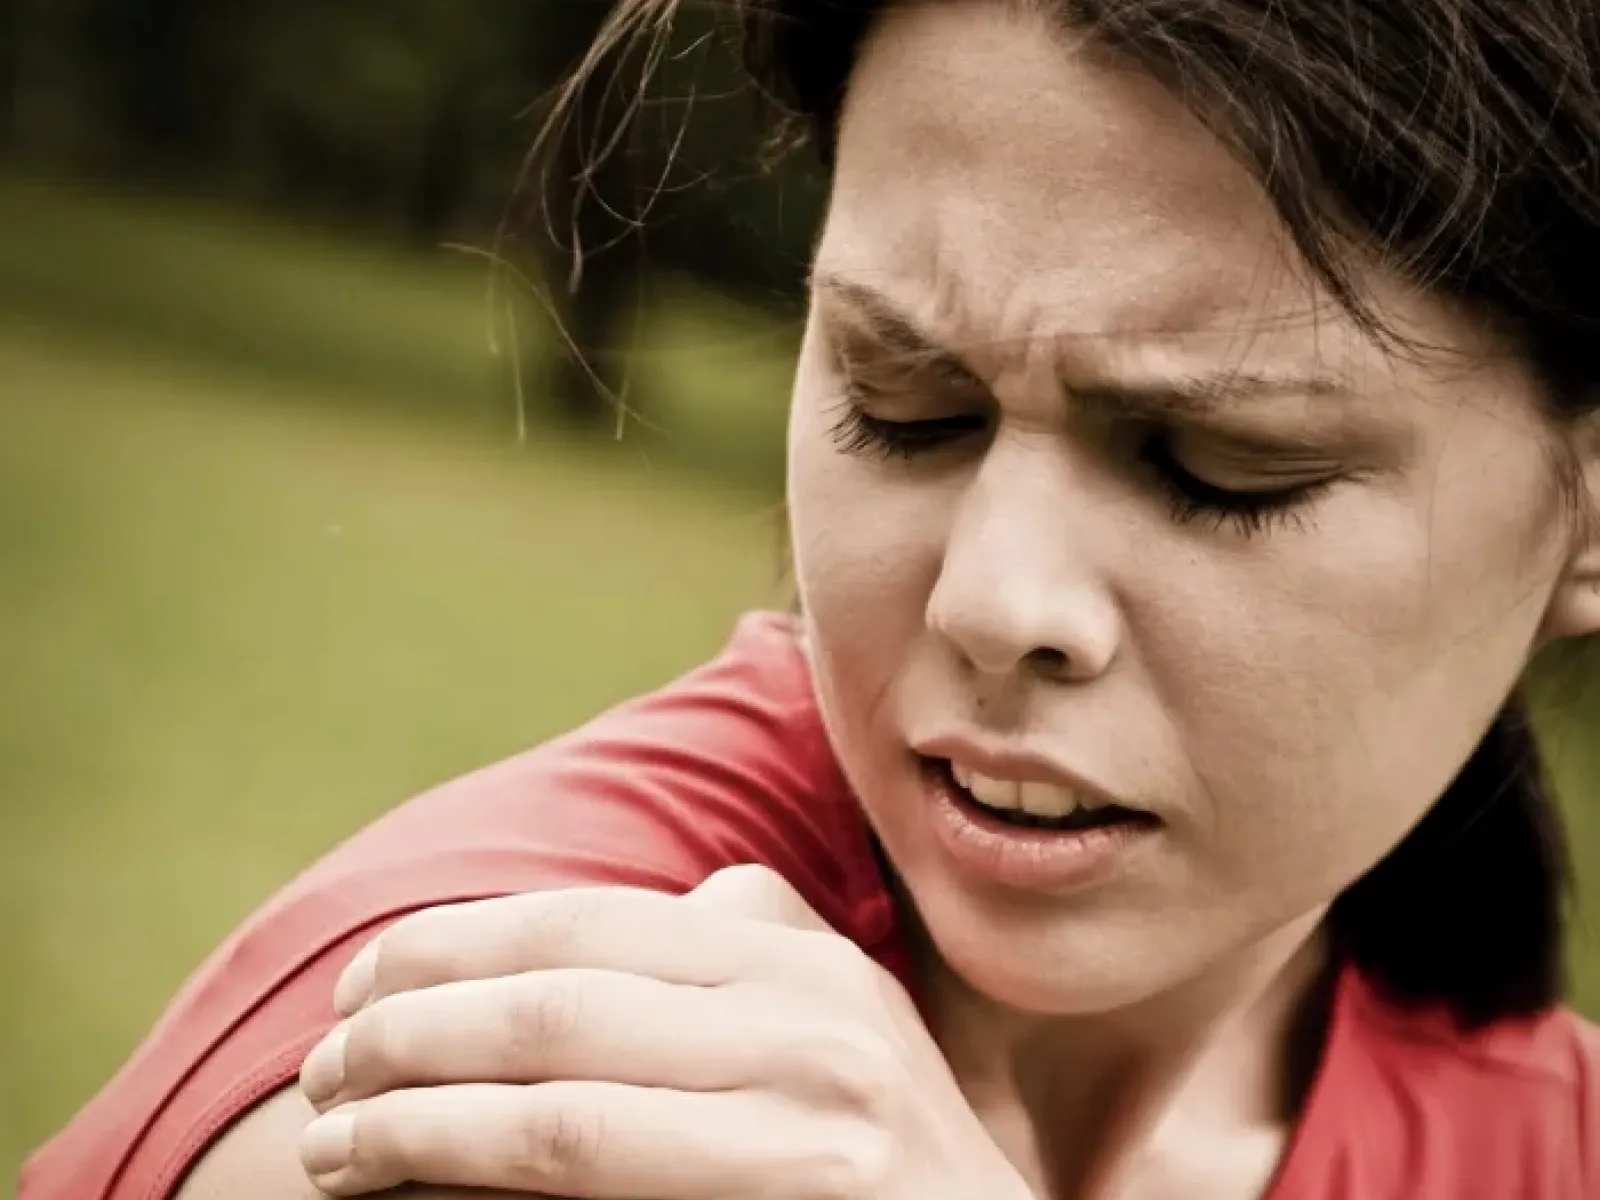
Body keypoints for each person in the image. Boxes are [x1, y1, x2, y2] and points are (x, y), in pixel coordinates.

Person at [20, 0, 1600, 1196]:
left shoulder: (1546, 1138)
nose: (995, 601)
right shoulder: (537, 1079)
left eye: (1219, 464)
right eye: (903, 402)